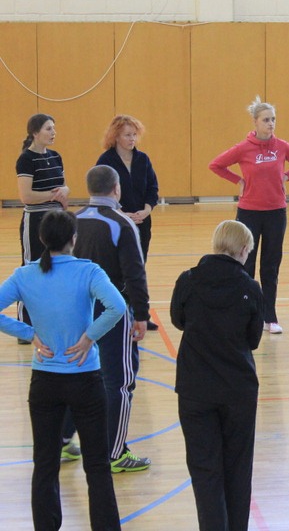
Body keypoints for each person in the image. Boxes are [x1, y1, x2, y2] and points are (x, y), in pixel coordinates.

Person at [0, 210, 125, 531]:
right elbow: (118, 307)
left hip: (45, 381)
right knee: (97, 465)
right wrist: (90, 336)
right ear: (73, 239)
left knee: (45, 464)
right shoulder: (88, 271)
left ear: (42, 239)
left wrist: (29, 333)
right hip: (85, 379)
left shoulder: (25, 275)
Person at [171, 220, 264, 530]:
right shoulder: (250, 288)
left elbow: (178, 320)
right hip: (238, 390)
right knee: (238, 469)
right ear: (243, 250)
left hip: (195, 388)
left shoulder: (188, 280)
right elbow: (253, 340)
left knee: (204, 470)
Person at [75, 165, 152, 472]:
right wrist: (141, 314)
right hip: (112, 312)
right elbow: (135, 272)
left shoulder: (73, 219)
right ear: (116, 189)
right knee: (120, 381)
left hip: (77, 310)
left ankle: (64, 439)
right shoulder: (121, 223)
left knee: (77, 374)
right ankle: (115, 453)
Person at [209, 97, 289, 335]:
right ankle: (244, 314)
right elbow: (216, 165)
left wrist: (286, 176)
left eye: (273, 119)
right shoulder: (243, 148)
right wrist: (238, 180)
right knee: (246, 264)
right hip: (249, 213)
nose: (270, 123)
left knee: (270, 266)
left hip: (276, 213)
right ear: (255, 122)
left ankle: (269, 316)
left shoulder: (282, 147)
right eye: (266, 120)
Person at [96, 115, 161, 330]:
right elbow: (101, 191)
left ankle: (139, 313)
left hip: (142, 222)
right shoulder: (106, 161)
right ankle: (118, 312)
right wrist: (121, 213)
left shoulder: (143, 159)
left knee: (138, 268)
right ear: (116, 137)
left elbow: (153, 188)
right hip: (116, 223)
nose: (132, 139)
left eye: (134, 134)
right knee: (118, 268)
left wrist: (146, 210)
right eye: (127, 135)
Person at [15, 113, 70, 341]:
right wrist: (53, 195)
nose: (53, 132)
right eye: (48, 128)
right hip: (36, 221)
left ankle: (51, 322)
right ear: (35, 133)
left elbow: (63, 188)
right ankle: (24, 326)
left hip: (57, 220)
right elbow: (26, 196)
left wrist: (64, 192)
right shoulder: (26, 159)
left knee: (57, 269)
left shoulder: (56, 156)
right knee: (32, 269)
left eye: (54, 128)